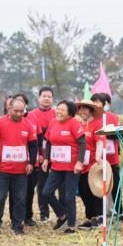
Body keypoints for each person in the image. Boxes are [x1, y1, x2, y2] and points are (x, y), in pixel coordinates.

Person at [0, 95, 38, 235]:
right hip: (3, 169)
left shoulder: (28, 124)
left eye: (22, 111)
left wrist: (31, 163)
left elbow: (33, 146)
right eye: (16, 111)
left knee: (20, 198)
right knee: (0, 197)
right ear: (9, 108)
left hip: (21, 170)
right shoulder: (0, 123)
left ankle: (17, 225)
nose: (19, 114)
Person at [41, 99, 86, 233]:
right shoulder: (53, 123)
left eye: (62, 110)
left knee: (69, 196)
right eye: (58, 109)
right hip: (56, 166)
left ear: (70, 113)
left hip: (72, 167)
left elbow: (82, 143)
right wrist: (46, 159)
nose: (59, 112)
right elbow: (49, 142)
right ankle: (62, 215)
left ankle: (71, 225)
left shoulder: (74, 123)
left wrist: (80, 162)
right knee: (46, 192)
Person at [26, 87, 56, 224]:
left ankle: (63, 213)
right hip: (40, 156)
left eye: (49, 96)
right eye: (44, 96)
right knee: (41, 186)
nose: (46, 98)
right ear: (39, 98)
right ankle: (44, 214)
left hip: (56, 155)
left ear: (52, 99)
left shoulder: (57, 113)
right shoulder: (31, 115)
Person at [75, 100, 104, 228]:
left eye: (85, 109)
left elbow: (99, 141)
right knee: (83, 191)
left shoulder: (97, 124)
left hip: (93, 164)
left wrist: (98, 155)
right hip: (80, 164)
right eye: (81, 109)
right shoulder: (77, 124)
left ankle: (99, 217)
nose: (83, 112)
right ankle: (90, 217)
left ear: (91, 111)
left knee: (95, 191)